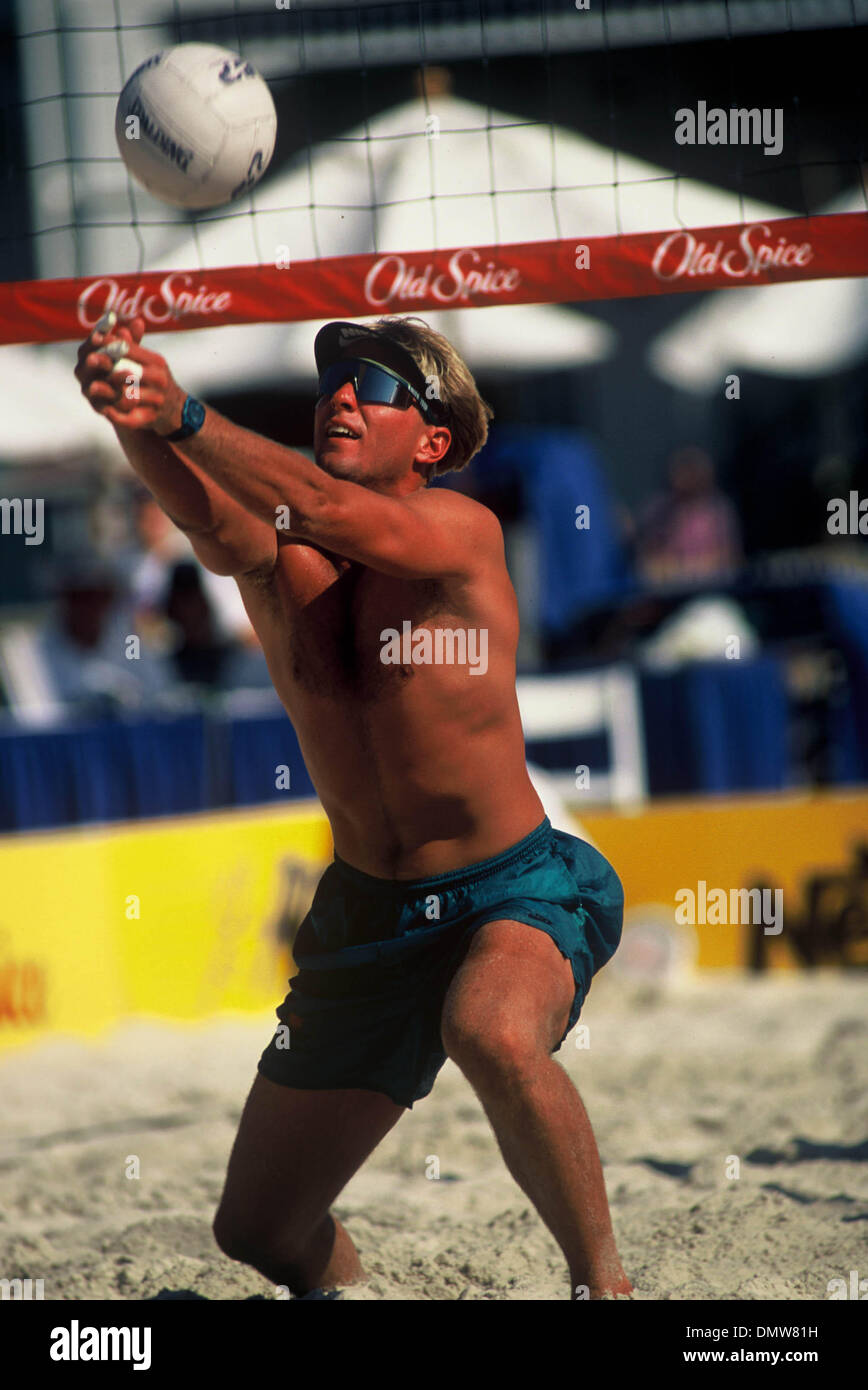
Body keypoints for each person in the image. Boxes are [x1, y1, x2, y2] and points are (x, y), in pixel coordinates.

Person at [74, 311, 631, 1302]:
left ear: (432, 442)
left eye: (374, 386)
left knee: (492, 1029)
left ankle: (605, 1287)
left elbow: (339, 511)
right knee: (257, 1228)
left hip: (512, 888)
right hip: (368, 917)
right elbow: (206, 512)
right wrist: (131, 413)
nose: (340, 394)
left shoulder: (461, 531)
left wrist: (187, 410)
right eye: (332, 380)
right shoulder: (286, 550)